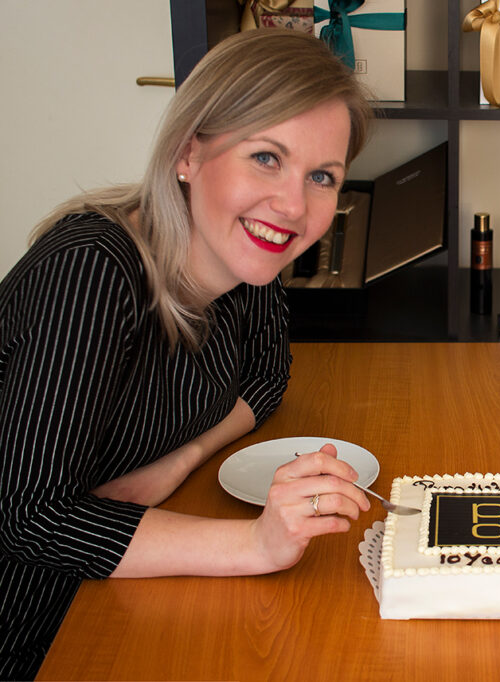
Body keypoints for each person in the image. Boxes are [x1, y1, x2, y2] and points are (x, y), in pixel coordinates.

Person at [0, 29, 374, 679]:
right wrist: (257, 544)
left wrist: (175, 464)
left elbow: (266, 377)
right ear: (186, 153)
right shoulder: (92, 272)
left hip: (116, 593)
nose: (292, 205)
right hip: (31, 631)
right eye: (265, 157)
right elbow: (29, 518)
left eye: (321, 176)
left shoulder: (243, 261)